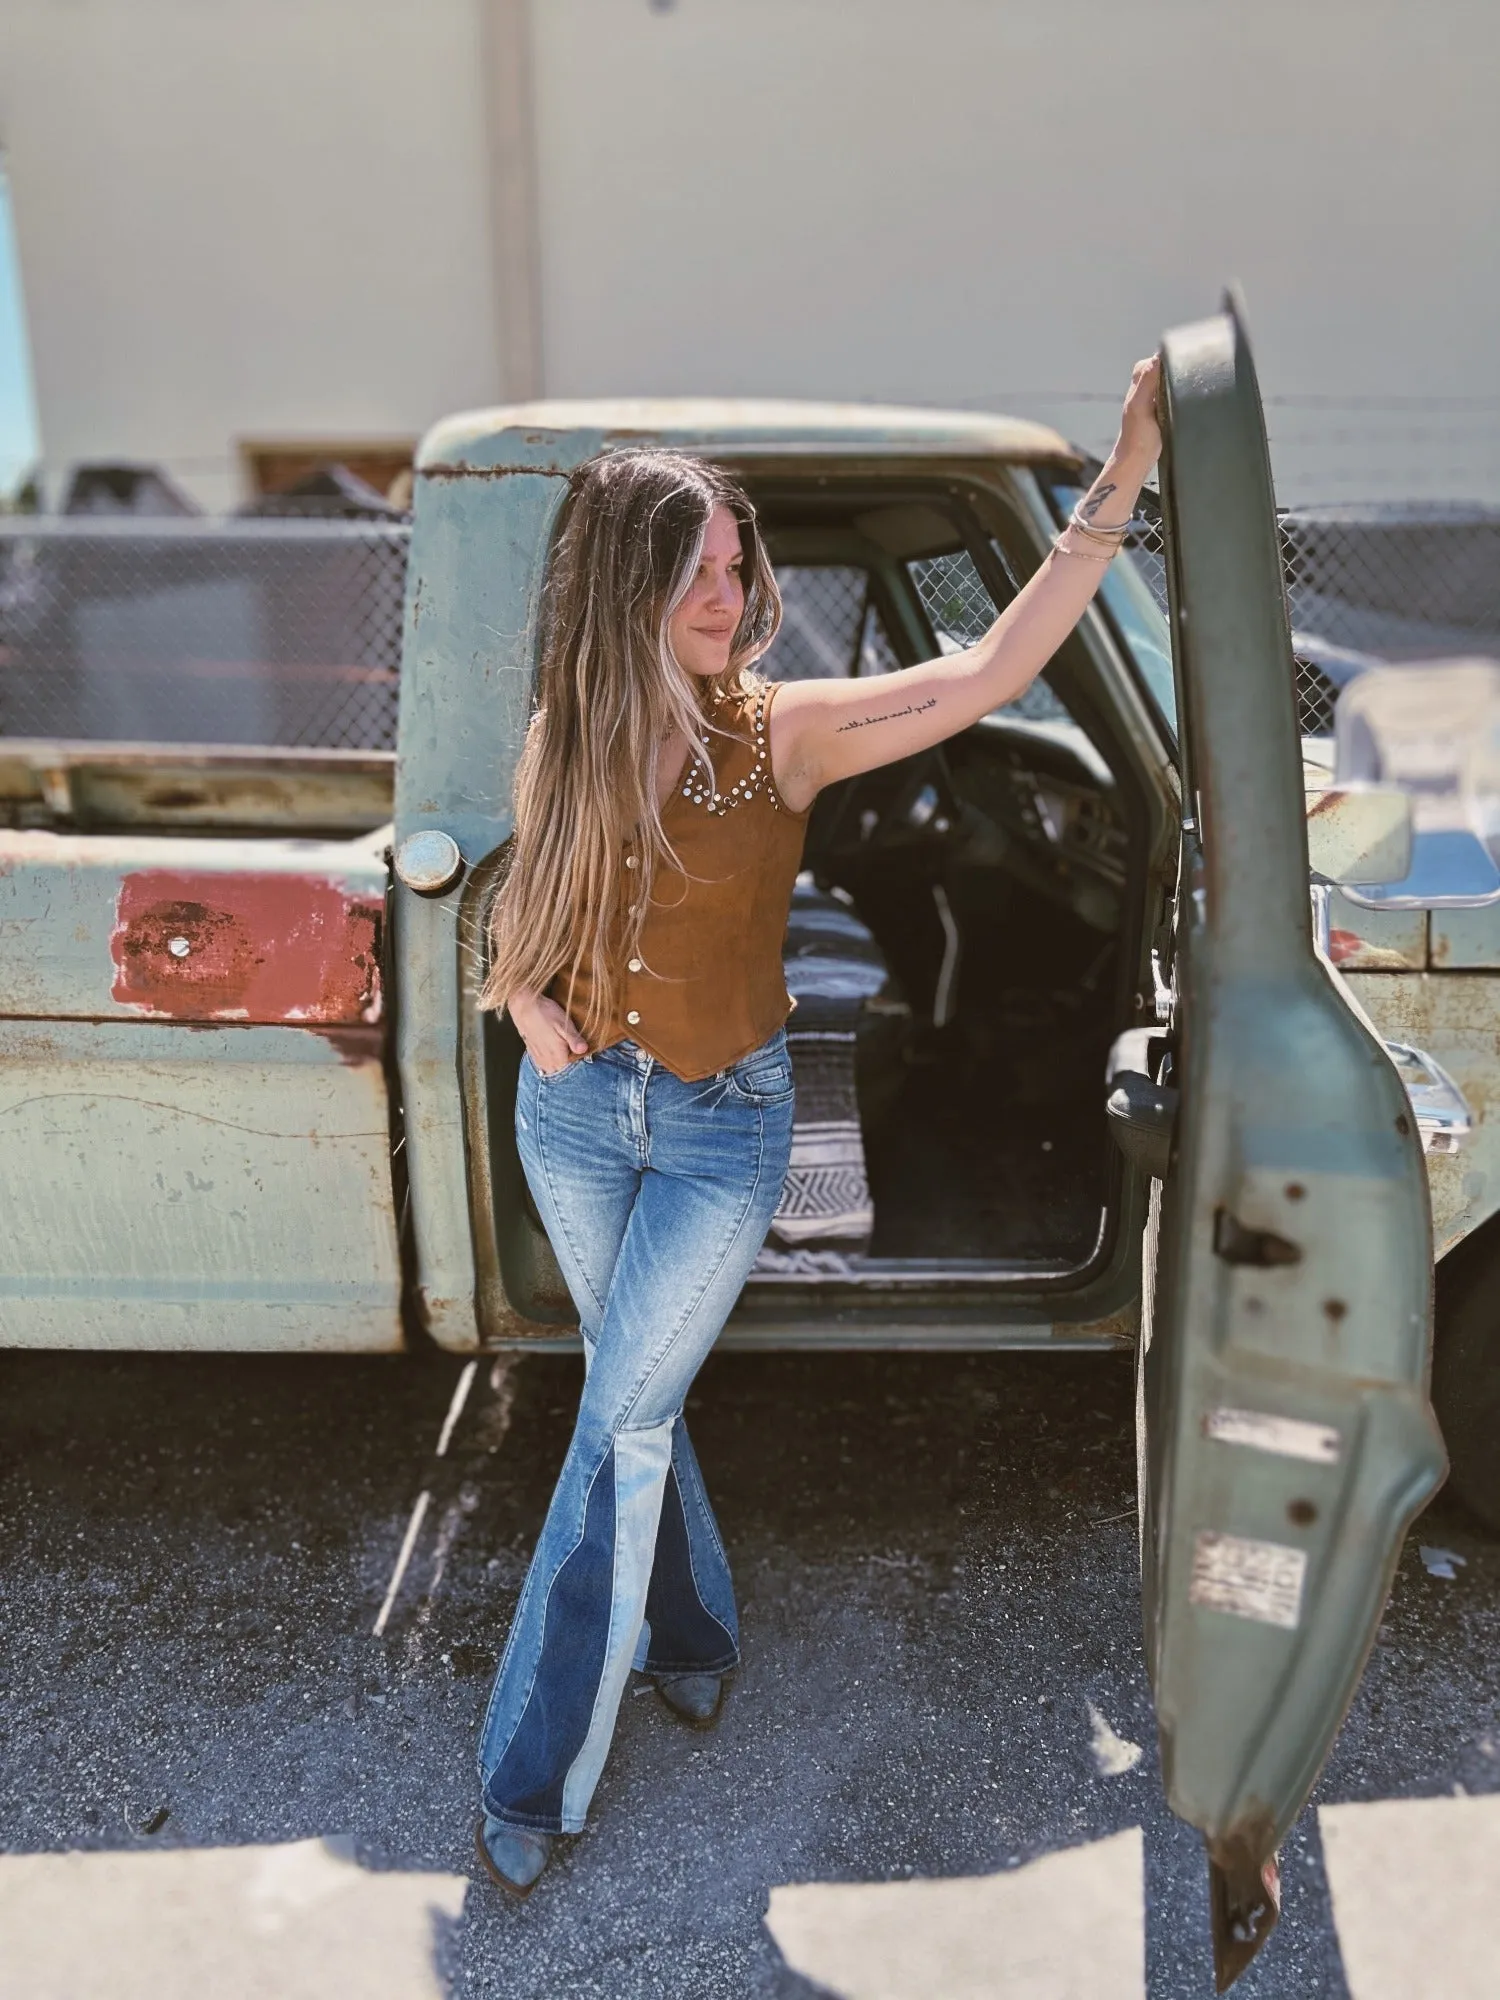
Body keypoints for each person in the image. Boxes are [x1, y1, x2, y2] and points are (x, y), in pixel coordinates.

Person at [472, 358, 1163, 1896]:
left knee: (620, 1418)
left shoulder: (777, 732)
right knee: (627, 1398)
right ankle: (696, 1629)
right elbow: (523, 909)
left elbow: (986, 673)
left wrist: (1116, 483)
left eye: (737, 566)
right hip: (575, 1116)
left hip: (725, 1127)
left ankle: (528, 1775)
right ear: (625, 582)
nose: (727, 595)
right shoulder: (565, 735)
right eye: (696, 569)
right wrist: (523, 1000)